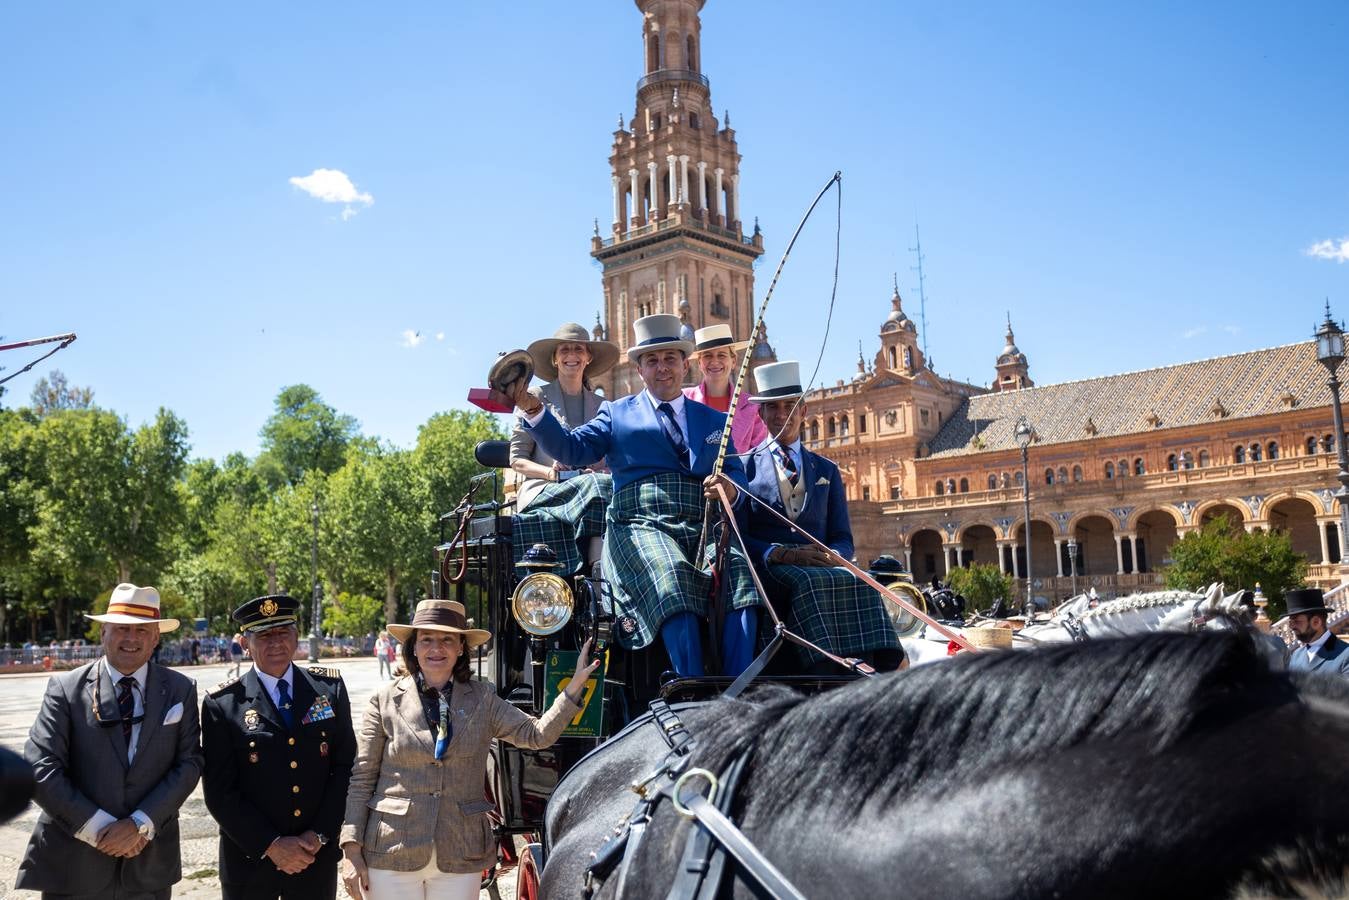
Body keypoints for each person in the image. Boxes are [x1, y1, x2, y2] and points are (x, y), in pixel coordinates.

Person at [504, 313, 761, 677]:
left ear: (685, 364)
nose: (662, 368)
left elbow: (737, 476)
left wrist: (730, 489)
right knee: (672, 577)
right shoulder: (616, 414)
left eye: (670, 358)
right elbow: (573, 449)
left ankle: (740, 691)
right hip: (639, 524)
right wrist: (533, 408)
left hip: (702, 525)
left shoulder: (714, 422)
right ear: (639, 369)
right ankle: (692, 688)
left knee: (740, 574)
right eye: (652, 360)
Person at [338, 599, 598, 900]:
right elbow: (362, 780)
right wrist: (351, 850)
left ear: (461, 647)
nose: (437, 648)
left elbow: (536, 735)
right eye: (427, 639)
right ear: (414, 647)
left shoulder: (483, 700)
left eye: (447, 639)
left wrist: (574, 688)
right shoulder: (383, 701)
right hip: (391, 849)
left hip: (461, 851)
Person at [17, 583, 203, 899]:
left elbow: (189, 764)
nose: (131, 638)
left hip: (148, 867)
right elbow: (40, 768)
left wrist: (139, 824)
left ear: (156, 637)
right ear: (103, 633)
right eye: (121, 629)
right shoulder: (65, 689)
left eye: (142, 631)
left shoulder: (180, 689)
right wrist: (101, 829)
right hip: (74, 867)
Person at [737, 361, 903, 673]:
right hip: (772, 570)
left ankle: (884, 667)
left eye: (790, 406)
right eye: (772, 407)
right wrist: (776, 553)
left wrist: (834, 556)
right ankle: (824, 671)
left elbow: (842, 536)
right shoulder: (743, 468)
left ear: (804, 410)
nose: (781, 414)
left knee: (863, 581)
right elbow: (737, 534)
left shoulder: (826, 470)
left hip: (820, 566)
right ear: (760, 414)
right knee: (806, 584)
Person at [201, 595, 356, 899]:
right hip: (251, 862)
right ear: (245, 643)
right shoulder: (223, 704)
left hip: (314, 856)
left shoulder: (328, 689)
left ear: (297, 636)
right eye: (264, 635)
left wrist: (319, 833)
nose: (276, 643)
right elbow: (220, 793)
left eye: (283, 632)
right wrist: (271, 845)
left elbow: (345, 769)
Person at [509, 322, 619, 576]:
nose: (572, 355)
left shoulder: (605, 405)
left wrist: (598, 468)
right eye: (565, 350)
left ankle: (600, 579)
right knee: (601, 492)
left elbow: (614, 458)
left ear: (588, 357)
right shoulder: (533, 398)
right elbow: (517, 460)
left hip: (593, 490)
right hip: (544, 488)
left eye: (579, 349)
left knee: (605, 492)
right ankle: (596, 575)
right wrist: (551, 473)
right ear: (555, 359)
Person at [683, 323, 769, 457]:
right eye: (707, 356)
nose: (715, 361)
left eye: (722, 355)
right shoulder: (684, 400)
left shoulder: (752, 407)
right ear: (699, 362)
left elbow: (760, 456)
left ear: (733, 361)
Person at [1285, 588, 1349, 675]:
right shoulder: (1296, 655)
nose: (1291, 626)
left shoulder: (1345, 654)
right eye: (1290, 622)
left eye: (1296, 621)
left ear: (1316, 622)